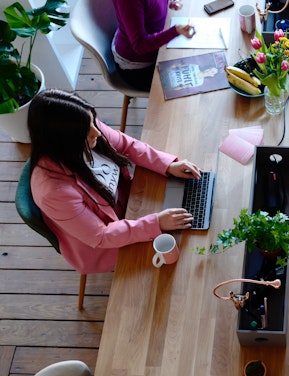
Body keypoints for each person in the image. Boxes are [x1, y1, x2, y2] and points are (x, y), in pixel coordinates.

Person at [28, 89, 201, 274]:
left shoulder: (84, 127)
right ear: (64, 141)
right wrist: (155, 223)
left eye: (93, 121)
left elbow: (127, 145)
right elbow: (101, 236)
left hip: (129, 204)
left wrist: (167, 165)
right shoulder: (53, 192)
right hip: (105, 243)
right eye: (88, 131)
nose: (98, 132)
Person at [111, 0, 195, 91]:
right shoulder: (128, 2)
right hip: (138, 68)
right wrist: (175, 31)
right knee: (189, 89)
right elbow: (140, 45)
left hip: (157, 47)